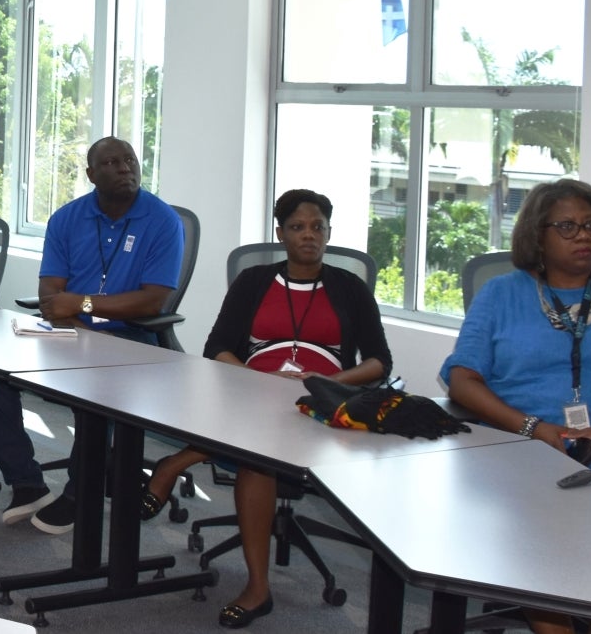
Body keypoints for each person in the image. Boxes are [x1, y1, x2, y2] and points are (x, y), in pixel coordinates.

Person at [441, 178, 591, 634]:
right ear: (538, 235)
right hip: (518, 450)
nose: (584, 236)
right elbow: (462, 379)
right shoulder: (500, 295)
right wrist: (536, 428)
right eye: (568, 226)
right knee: (541, 545)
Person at [147, 188, 390, 628]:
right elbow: (217, 347)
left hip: (323, 401)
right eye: (298, 227)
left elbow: (378, 361)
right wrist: (254, 377)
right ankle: (259, 587)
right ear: (281, 233)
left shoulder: (349, 288)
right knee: (260, 449)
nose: (309, 236)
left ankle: (178, 461)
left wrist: (326, 382)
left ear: (329, 233)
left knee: (258, 452)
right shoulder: (254, 283)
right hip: (253, 389)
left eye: (318, 227)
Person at [23, 136, 185, 534]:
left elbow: (154, 302)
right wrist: (70, 316)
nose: (125, 167)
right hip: (69, 332)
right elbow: (49, 293)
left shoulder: (162, 221)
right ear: (92, 174)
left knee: (97, 390)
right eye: (111, 162)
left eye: (129, 160)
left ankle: (81, 493)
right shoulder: (67, 218)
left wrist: (82, 306)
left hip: (132, 336)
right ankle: (24, 483)